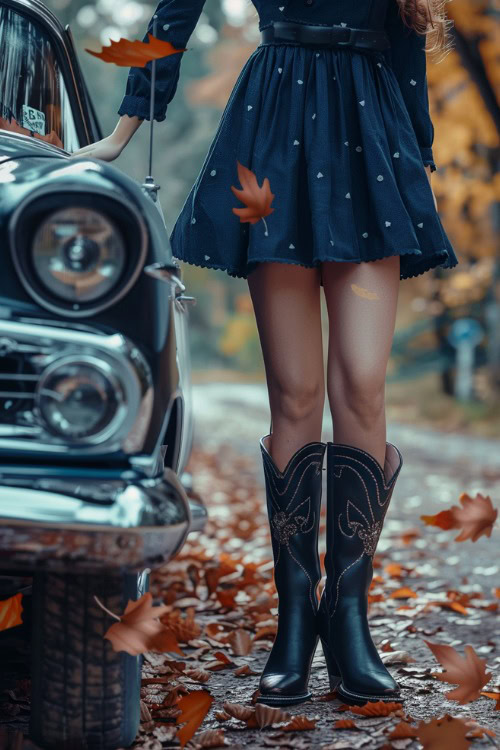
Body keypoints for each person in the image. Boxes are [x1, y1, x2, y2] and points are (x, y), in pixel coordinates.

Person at [71, 0, 458, 708]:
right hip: (277, 123)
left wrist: (416, 157)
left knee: (363, 385)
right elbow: (178, 11)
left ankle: (349, 622)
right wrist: (123, 133)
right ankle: (293, 625)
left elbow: (407, 39)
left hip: (372, 137)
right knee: (295, 393)